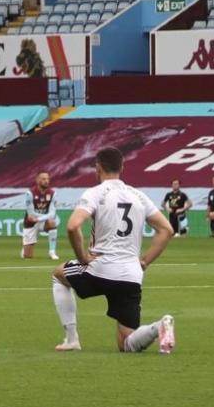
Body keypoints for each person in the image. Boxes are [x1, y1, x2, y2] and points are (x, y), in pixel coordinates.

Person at [49, 147, 175, 353]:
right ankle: (158, 326)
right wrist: (145, 261)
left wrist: (82, 257)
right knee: (127, 344)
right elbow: (166, 230)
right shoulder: (138, 195)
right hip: (131, 275)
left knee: (58, 275)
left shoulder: (95, 193)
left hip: (101, 269)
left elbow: (73, 226)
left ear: (97, 168)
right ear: (122, 167)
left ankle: (71, 339)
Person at [22, 172, 59, 260]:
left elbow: (52, 213)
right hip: (30, 223)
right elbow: (31, 213)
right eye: (43, 179)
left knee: (52, 222)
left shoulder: (53, 193)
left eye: (47, 179)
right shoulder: (29, 193)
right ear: (37, 180)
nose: (46, 181)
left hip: (41, 221)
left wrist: (39, 218)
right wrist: (39, 217)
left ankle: (52, 252)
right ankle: (25, 249)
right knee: (28, 256)